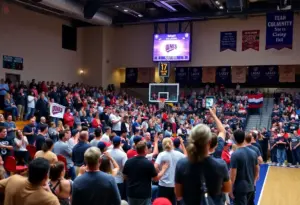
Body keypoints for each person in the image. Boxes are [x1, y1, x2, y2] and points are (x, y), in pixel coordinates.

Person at [175, 124, 231, 205]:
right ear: (209, 142)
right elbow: (227, 189)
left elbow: (178, 194)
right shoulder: (221, 165)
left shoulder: (181, 164)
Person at [123, 141, 169, 205]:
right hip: (144, 194)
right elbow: (156, 178)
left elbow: (125, 177)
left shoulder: (128, 162)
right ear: (145, 150)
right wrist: (163, 169)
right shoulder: (148, 163)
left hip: (131, 193)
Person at [230, 130, 259, 205]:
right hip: (251, 187)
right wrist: (254, 181)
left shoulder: (235, 155)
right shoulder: (253, 152)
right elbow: (257, 169)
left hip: (240, 189)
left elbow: (233, 175)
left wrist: (230, 190)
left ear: (235, 140)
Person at [154, 138, 186, 205]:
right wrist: (182, 144)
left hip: (163, 184)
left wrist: (160, 171)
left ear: (163, 145)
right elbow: (187, 157)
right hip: (174, 185)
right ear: (172, 144)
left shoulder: (162, 154)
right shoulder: (178, 154)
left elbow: (155, 167)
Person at [107, 136, 128, 200]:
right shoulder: (123, 154)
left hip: (109, 179)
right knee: (118, 199)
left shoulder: (107, 152)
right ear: (120, 143)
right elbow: (125, 168)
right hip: (119, 180)